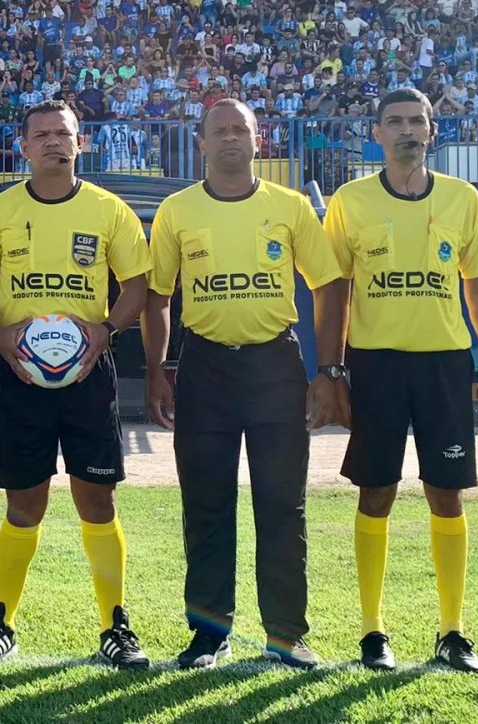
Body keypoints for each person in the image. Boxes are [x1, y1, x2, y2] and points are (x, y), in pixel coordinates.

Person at [141, 99, 345, 671]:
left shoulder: (291, 206)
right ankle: (209, 635)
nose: (231, 138)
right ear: (201, 144)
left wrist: (329, 371)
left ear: (259, 140)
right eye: (219, 131)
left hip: (274, 367)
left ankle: (286, 635)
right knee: (206, 505)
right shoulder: (176, 211)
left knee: (283, 505)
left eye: (241, 129)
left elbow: (328, 286)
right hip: (204, 368)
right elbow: (158, 296)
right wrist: (156, 367)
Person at [322, 88, 478, 674]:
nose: (406, 130)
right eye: (394, 121)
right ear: (375, 133)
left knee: (445, 494)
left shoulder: (463, 198)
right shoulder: (350, 202)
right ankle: (372, 632)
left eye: (417, 121)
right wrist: (332, 371)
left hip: (444, 365)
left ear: (432, 131)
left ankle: (452, 631)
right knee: (375, 492)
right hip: (376, 365)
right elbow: (335, 292)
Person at [0, 99, 152, 668]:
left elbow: (137, 287)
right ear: (23, 147)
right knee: (25, 503)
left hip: (89, 372)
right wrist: (6, 345)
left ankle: (115, 625)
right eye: (40, 134)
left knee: (97, 498)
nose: (52, 142)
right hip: (21, 375)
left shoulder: (109, 210)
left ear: (80, 142)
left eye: (62, 133)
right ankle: (2, 622)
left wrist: (106, 331)